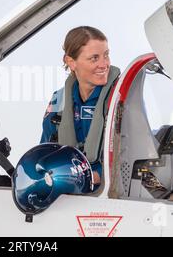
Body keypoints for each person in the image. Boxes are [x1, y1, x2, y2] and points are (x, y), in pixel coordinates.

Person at [40, 26, 120, 187]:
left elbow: (133, 158)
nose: (104, 64)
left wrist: (95, 178)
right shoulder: (59, 101)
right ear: (71, 62)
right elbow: (43, 154)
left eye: (106, 55)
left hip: (110, 193)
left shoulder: (121, 98)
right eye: (94, 58)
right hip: (68, 192)